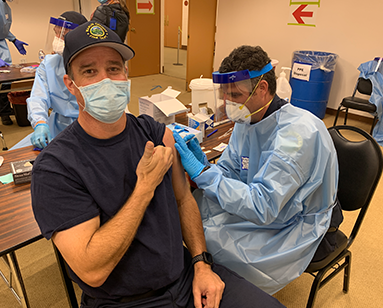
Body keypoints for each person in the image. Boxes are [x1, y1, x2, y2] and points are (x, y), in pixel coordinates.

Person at [31, 22, 284, 308]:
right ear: (70, 84)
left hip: (187, 278)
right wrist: (144, 188)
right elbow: (92, 270)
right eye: (89, 71)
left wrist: (201, 263)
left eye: (114, 68)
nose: (106, 80)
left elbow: (183, 199)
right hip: (126, 301)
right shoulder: (57, 168)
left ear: (126, 75)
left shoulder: (153, 132)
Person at [173, 45, 343, 295]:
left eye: (235, 95)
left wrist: (204, 175)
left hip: (294, 220)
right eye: (225, 94)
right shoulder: (249, 117)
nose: (227, 103)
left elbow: (264, 206)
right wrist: (207, 168)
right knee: (189, 211)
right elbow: (231, 171)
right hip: (262, 201)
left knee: (211, 241)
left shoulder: (297, 135)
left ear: (262, 88)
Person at [10, 11, 87, 150]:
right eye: (55, 33)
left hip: (88, 127)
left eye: (62, 35)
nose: (57, 39)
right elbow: (38, 97)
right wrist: (40, 123)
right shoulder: (49, 63)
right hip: (56, 127)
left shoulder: (91, 64)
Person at [0, 0, 28, 125]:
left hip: (2, 47)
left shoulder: (5, 6)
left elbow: (3, 30)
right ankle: (3, 113)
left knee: (6, 81)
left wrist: (14, 40)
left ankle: (5, 110)